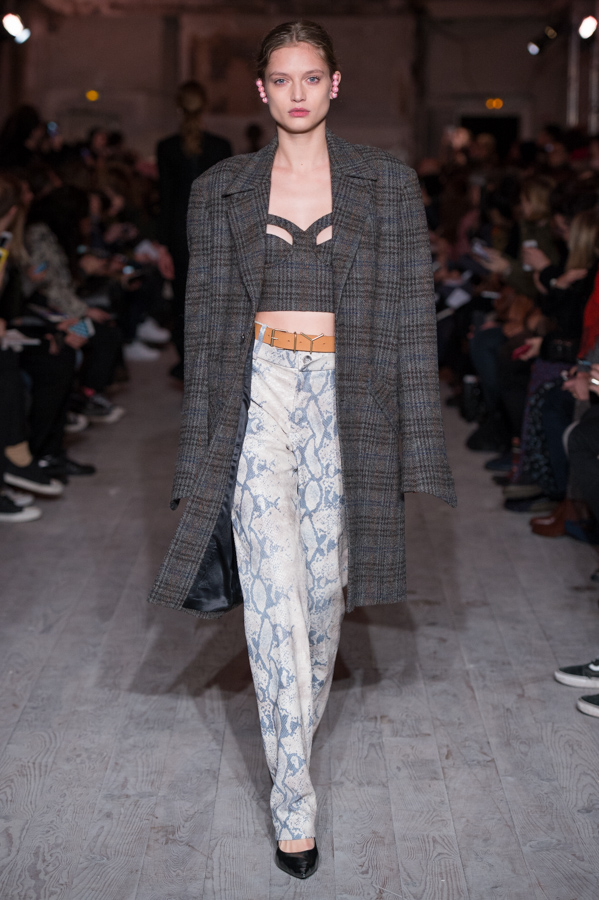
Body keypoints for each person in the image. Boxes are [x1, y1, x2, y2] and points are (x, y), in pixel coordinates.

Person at [148, 20, 456, 880]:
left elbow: (410, 321)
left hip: (347, 400)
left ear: (334, 84)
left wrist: (413, 447)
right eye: (279, 79)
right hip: (259, 398)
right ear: (261, 90)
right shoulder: (220, 189)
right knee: (274, 597)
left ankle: (293, 755)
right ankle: (294, 803)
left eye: (309, 77)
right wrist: (198, 457)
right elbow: (206, 326)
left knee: (321, 600)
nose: (295, 93)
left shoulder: (386, 185)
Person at [156, 81, 232, 379]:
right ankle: (212, 363)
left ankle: (189, 363)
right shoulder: (221, 147)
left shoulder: (166, 148)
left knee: (183, 299)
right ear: (204, 107)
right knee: (214, 299)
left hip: (180, 233)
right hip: (214, 231)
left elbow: (166, 200)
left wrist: (163, 246)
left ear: (179, 108)